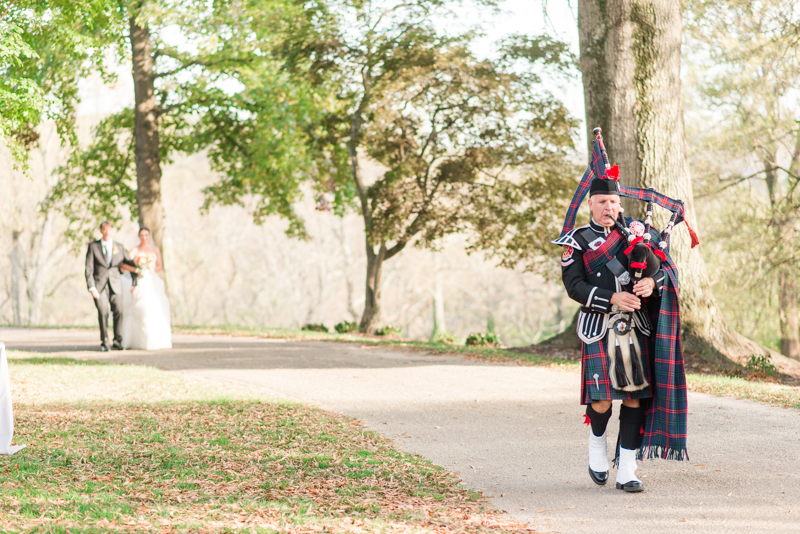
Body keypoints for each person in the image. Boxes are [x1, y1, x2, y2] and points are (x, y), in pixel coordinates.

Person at [553, 128, 690, 493]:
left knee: (633, 396)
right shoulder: (577, 241)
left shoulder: (638, 232)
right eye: (601, 202)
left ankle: (627, 467)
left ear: (619, 204)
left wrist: (652, 284)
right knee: (600, 399)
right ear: (591, 205)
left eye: (613, 203)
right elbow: (574, 286)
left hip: (635, 326)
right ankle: (597, 445)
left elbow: (663, 268)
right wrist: (611, 298)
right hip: (598, 325)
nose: (609, 208)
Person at [85, 221, 137, 351]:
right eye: (104, 229)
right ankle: (104, 342)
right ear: (101, 231)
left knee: (118, 311)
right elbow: (88, 269)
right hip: (99, 286)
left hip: (116, 285)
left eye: (109, 229)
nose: (107, 232)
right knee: (103, 312)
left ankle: (117, 341)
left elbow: (132, 265)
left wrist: (135, 282)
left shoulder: (119, 247)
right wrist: (92, 287)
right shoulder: (93, 247)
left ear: (112, 231)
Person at [119, 227, 173, 350]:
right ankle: (138, 340)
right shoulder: (135, 250)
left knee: (156, 309)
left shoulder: (155, 249)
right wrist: (138, 269)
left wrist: (150, 269)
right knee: (141, 309)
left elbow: (160, 265)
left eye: (146, 235)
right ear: (139, 236)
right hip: (140, 281)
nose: (144, 238)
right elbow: (124, 265)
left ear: (149, 236)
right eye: (142, 235)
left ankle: (156, 339)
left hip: (153, 281)